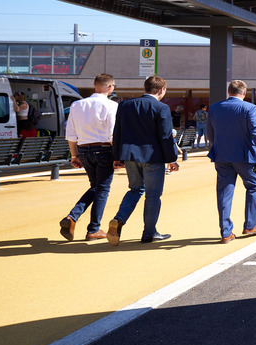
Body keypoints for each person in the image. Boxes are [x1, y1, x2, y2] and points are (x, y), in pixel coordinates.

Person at [107, 76, 180, 245]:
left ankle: (119, 219)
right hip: (153, 158)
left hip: (130, 156)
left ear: (145, 87)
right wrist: (171, 159)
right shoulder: (162, 108)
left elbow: (117, 132)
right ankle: (149, 233)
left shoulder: (125, 105)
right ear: (161, 90)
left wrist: (116, 157)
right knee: (153, 196)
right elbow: (165, 136)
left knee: (135, 189)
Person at [207, 79, 256, 242]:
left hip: (222, 156)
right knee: (253, 187)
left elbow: (210, 134)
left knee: (224, 193)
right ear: (244, 93)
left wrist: (217, 149)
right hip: (245, 157)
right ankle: (250, 225)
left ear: (229, 92)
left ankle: (226, 233)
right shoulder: (249, 108)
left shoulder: (214, 108)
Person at [59, 73, 119, 242]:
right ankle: (92, 229)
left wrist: (74, 155)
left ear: (95, 85)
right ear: (109, 87)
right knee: (102, 189)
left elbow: (70, 133)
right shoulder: (111, 105)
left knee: (96, 187)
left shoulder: (77, 105)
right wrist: (117, 156)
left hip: (83, 150)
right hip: (104, 150)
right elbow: (112, 134)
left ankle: (72, 218)